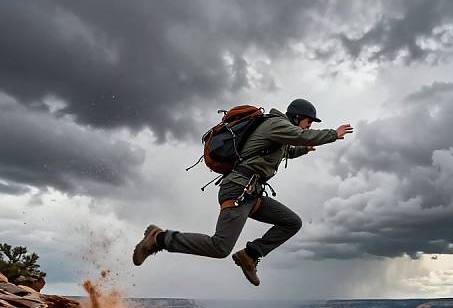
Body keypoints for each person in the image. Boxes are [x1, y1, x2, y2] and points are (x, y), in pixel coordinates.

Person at [133, 98, 353, 286]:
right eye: (308, 121)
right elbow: (301, 137)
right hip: (238, 190)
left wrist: (303, 150)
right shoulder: (276, 124)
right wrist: (333, 134)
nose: (309, 126)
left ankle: (250, 255)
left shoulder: (279, 132)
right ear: (297, 117)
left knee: (291, 222)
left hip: (252, 192)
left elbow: (287, 150)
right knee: (220, 247)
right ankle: (159, 239)